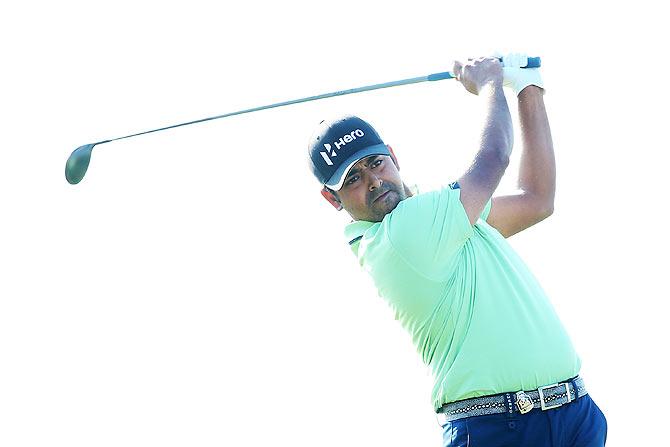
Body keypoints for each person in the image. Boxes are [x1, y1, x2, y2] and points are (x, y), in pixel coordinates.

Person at [306, 54, 607, 446]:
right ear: (334, 200)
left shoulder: (445, 219)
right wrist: (489, 83)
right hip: (499, 429)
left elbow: (537, 199)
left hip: (573, 413)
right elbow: (492, 158)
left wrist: (528, 87)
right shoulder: (401, 234)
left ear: (393, 157)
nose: (375, 182)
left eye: (376, 164)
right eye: (354, 180)